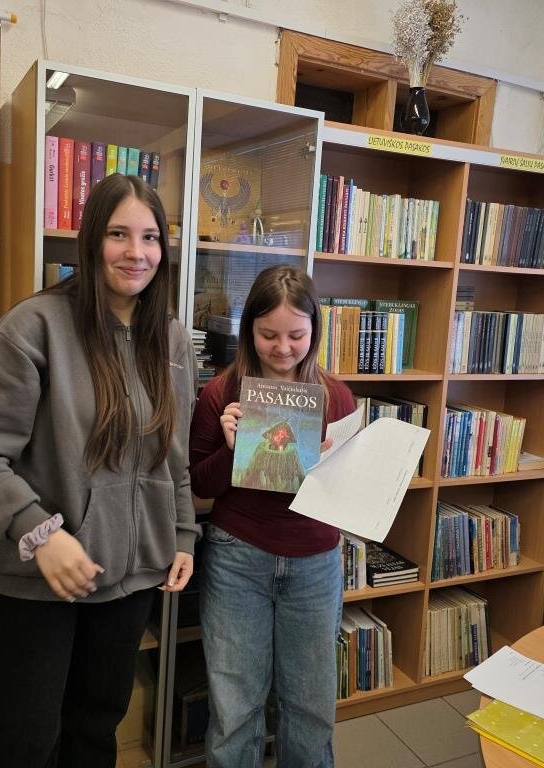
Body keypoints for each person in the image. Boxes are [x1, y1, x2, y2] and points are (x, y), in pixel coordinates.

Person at [0, 173, 198, 768]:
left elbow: (173, 458)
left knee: (95, 731)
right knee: (23, 744)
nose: (136, 252)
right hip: (36, 586)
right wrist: (40, 532)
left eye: (150, 237)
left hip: (128, 582)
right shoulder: (34, 326)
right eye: (118, 234)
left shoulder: (172, 340)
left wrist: (182, 534)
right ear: (91, 240)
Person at [189, 265, 356, 768]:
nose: (282, 348)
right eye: (268, 335)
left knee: (310, 705)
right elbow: (199, 484)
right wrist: (231, 449)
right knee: (234, 705)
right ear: (249, 331)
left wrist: (336, 464)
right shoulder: (222, 392)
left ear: (315, 330)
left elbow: (346, 492)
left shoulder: (335, 395)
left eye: (296, 335)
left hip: (314, 560)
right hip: (238, 556)